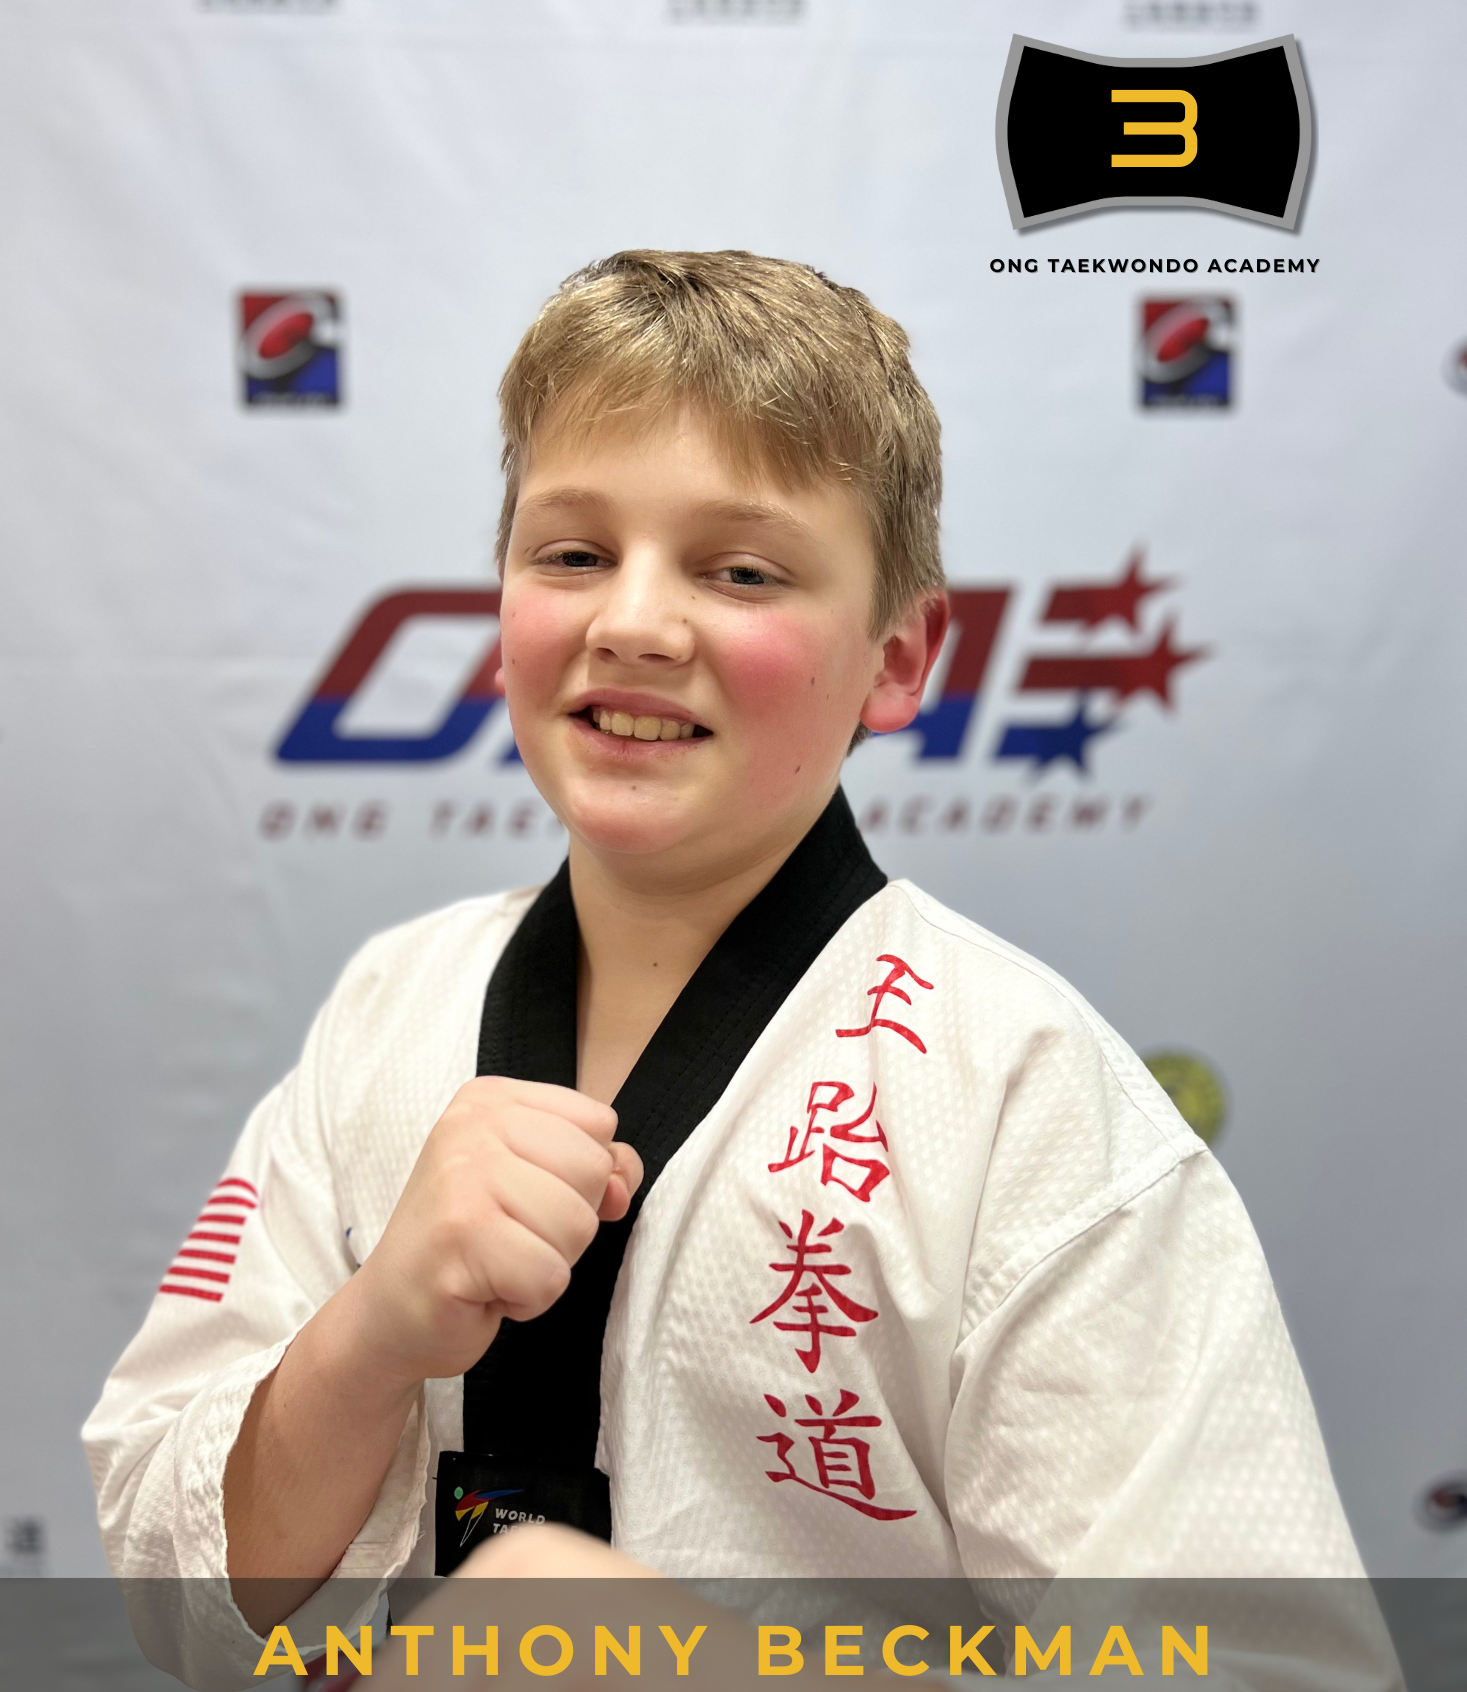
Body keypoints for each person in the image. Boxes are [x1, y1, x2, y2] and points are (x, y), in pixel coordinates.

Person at [85, 252, 1373, 1689]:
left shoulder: (1016, 1093)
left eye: (741, 570)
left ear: (898, 658)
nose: (632, 622)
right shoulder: (394, 1007)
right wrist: (368, 1337)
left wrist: (674, 1665)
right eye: (572, 554)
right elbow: (169, 1581)